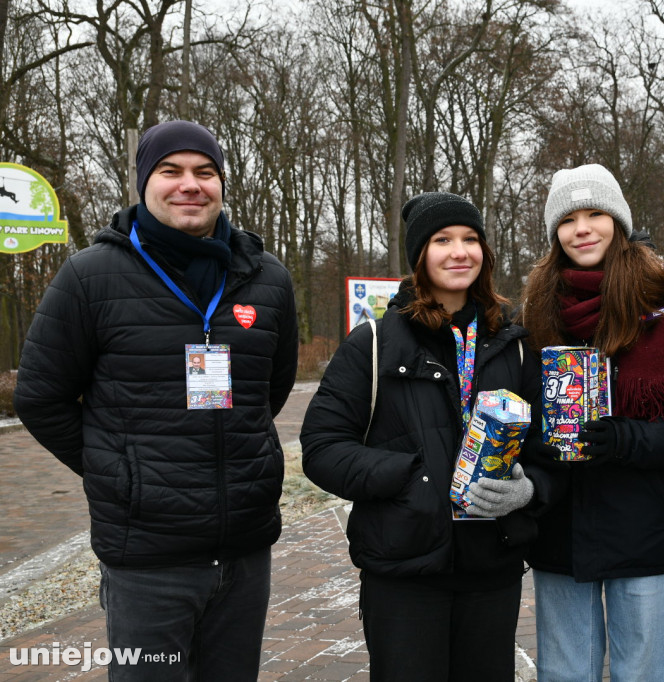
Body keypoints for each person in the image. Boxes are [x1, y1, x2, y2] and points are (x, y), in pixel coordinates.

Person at [14, 120, 299, 679]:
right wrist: (121, 470)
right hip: (148, 554)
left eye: (205, 172)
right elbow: (40, 397)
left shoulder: (267, 278)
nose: (189, 185)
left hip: (245, 545)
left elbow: (272, 387)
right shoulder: (90, 275)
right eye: (170, 171)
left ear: (221, 184)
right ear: (144, 183)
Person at [301, 192, 557, 682]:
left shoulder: (515, 344)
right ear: (420, 254)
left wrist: (529, 491)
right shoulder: (374, 342)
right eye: (442, 240)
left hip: (491, 567)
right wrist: (412, 479)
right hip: (404, 571)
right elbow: (323, 448)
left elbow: (548, 451)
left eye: (470, 239)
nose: (459, 251)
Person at [519, 164, 664, 682]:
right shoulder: (536, 318)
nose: (582, 228)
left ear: (618, 224)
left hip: (642, 526)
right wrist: (540, 443)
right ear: (555, 234)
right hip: (560, 527)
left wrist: (624, 437)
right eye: (568, 219)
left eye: (595, 214)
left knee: (643, 672)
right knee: (564, 672)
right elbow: (517, 414)